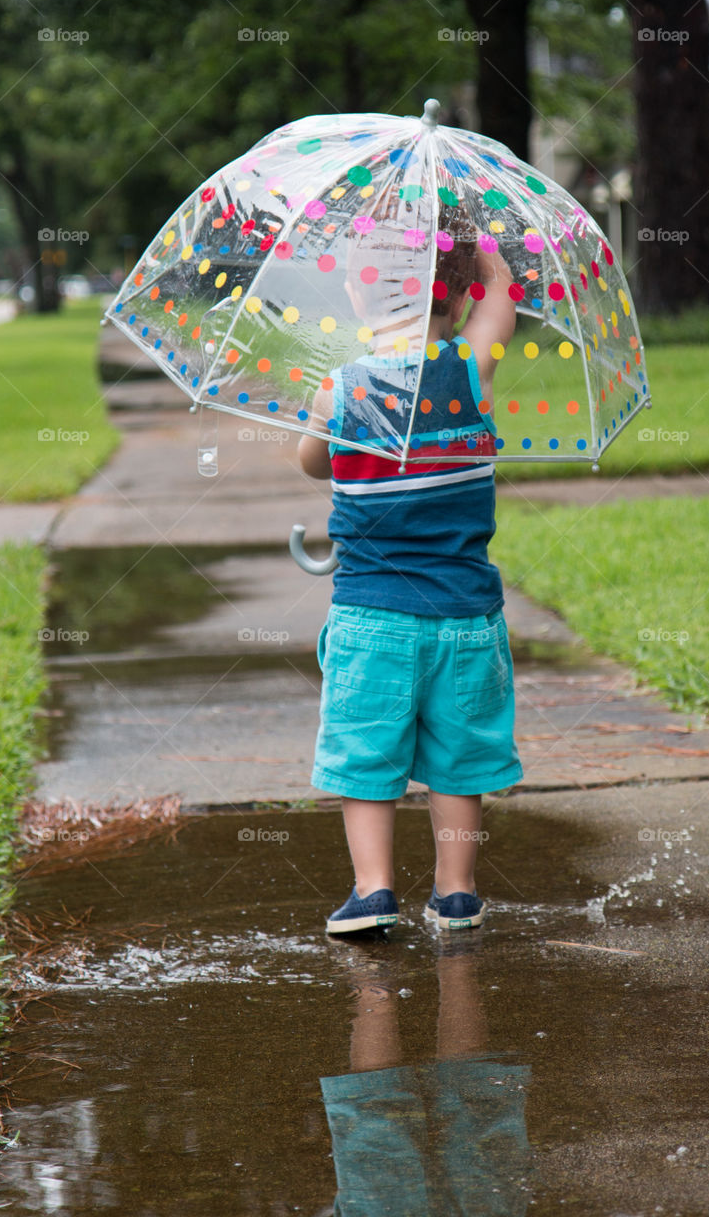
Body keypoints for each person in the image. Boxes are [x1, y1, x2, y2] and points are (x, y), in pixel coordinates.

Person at [298, 202, 523, 935]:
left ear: (362, 293)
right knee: (461, 760)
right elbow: (501, 305)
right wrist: (479, 255)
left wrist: (322, 421)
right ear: (456, 295)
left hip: (371, 620)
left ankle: (371, 891)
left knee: (365, 756)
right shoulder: (470, 371)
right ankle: (454, 891)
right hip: (466, 616)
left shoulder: (339, 389)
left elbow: (310, 462)